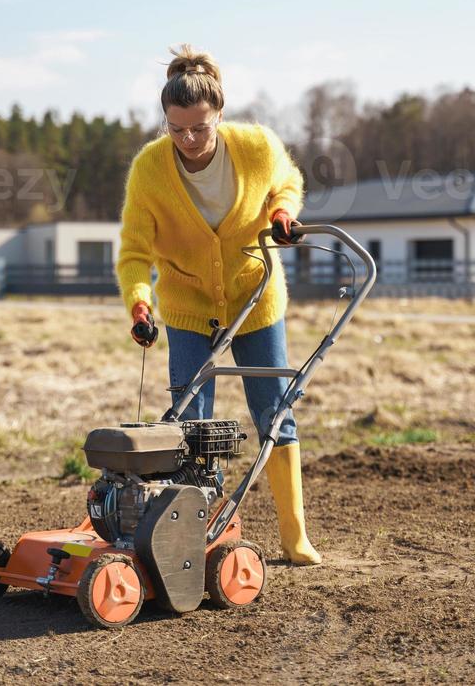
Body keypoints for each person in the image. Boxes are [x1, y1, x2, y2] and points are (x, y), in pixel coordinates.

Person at [117, 44, 321, 565]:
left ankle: (294, 535)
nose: (187, 139)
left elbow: (288, 182)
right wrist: (140, 305)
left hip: (255, 297)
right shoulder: (149, 169)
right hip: (187, 305)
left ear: (219, 114)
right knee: (188, 421)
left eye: (199, 128)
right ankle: (193, 531)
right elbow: (135, 252)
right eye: (176, 128)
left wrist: (280, 211)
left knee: (275, 412)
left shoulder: (254, 146)